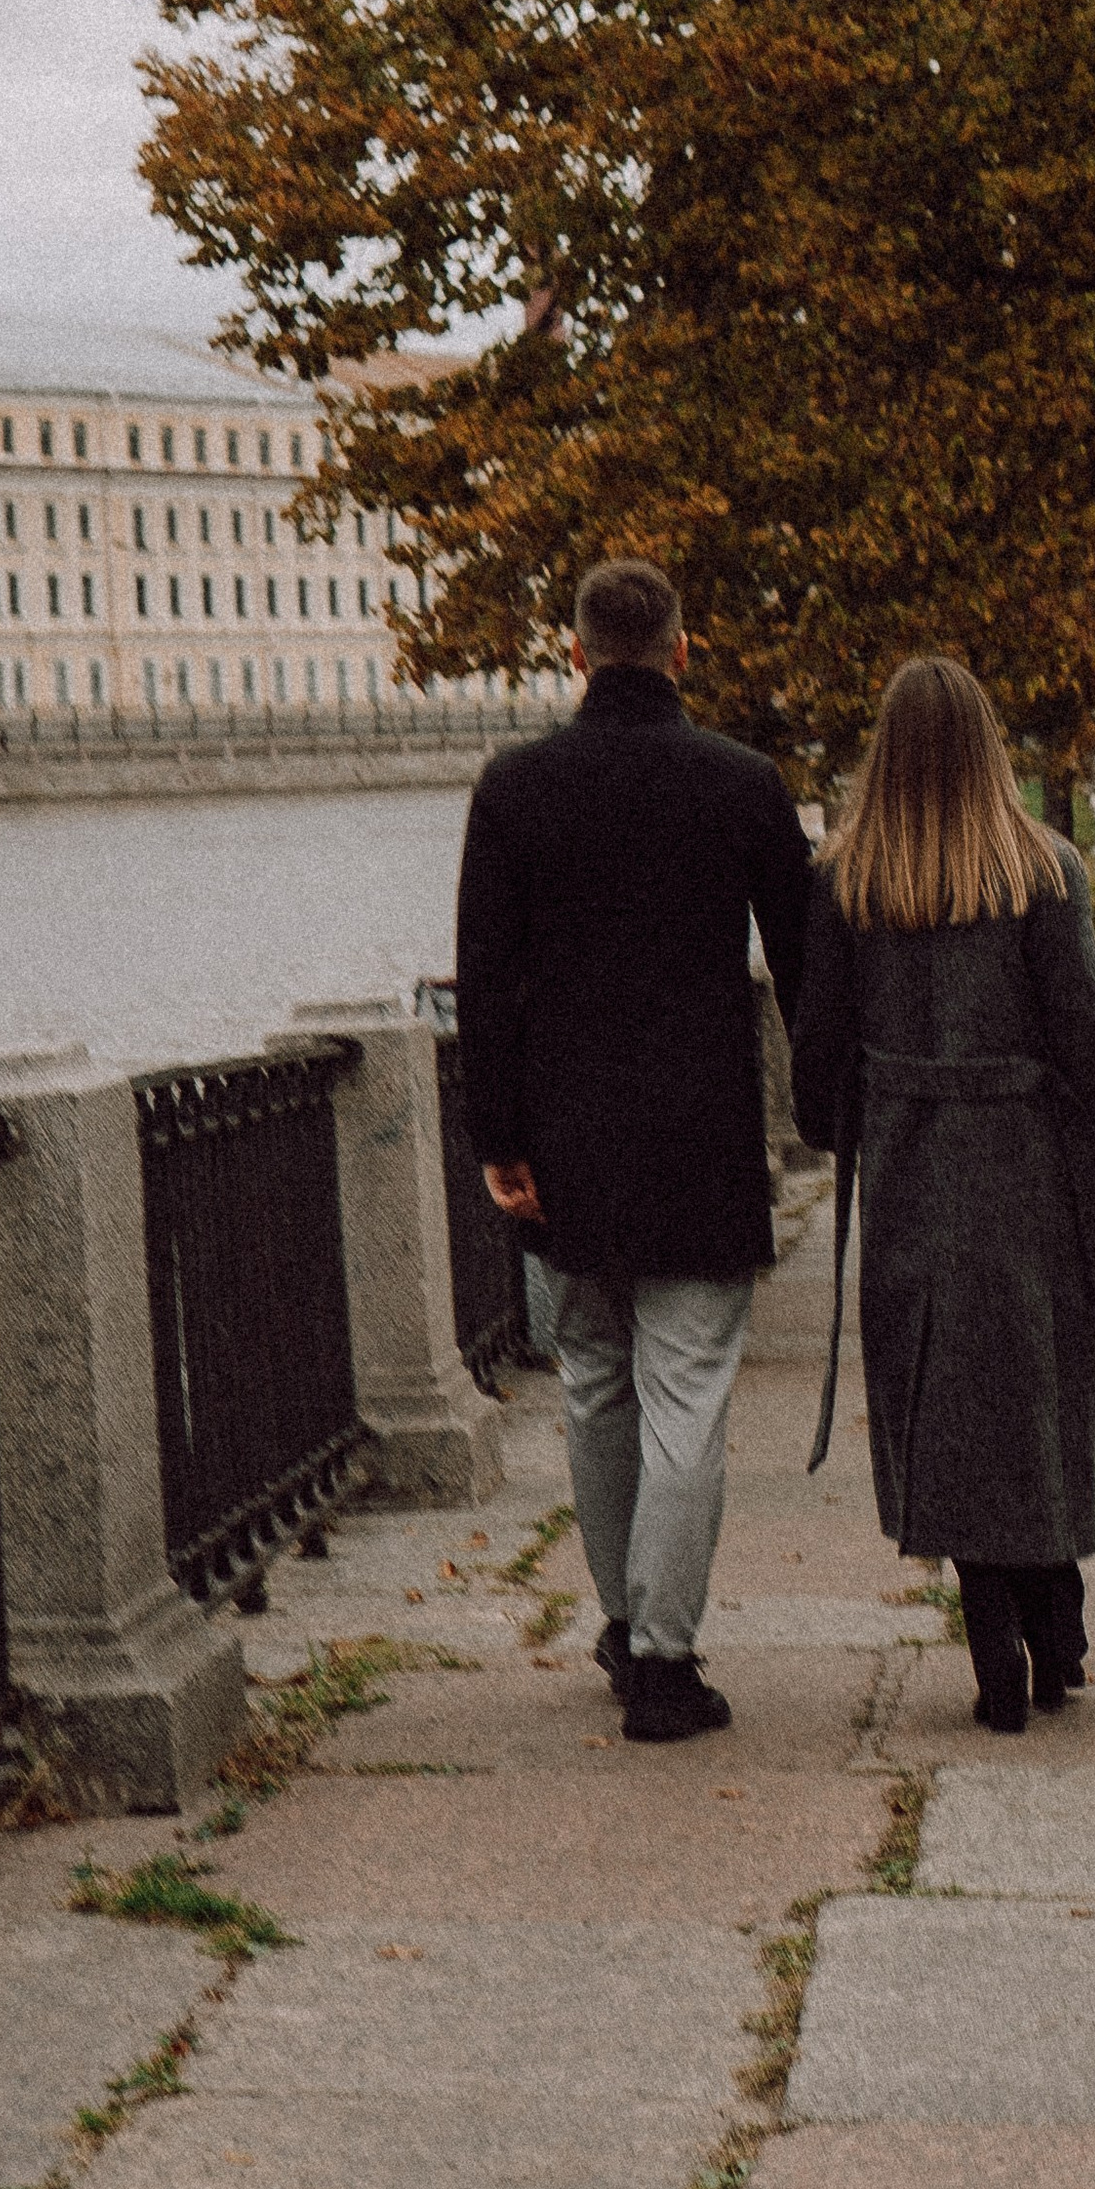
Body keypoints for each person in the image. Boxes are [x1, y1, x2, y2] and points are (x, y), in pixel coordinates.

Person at [455, 557, 813, 1745]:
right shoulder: (744, 784)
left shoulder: (513, 789)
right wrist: (825, 1106)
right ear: (682, 649)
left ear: (573, 652)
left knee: (595, 1387)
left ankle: (623, 1624)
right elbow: (807, 969)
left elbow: (487, 985)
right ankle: (663, 1659)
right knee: (688, 1397)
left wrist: (500, 1138)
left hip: (565, 1144)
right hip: (701, 1140)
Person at [790, 657, 1095, 1735]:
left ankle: (992, 1626)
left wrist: (836, 1128)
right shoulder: (1040, 869)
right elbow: (1089, 1033)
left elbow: (817, 1044)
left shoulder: (845, 881)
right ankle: (1056, 1614)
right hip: (1032, 1169)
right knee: (1039, 1388)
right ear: (991, 745)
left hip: (912, 1167)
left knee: (940, 1395)